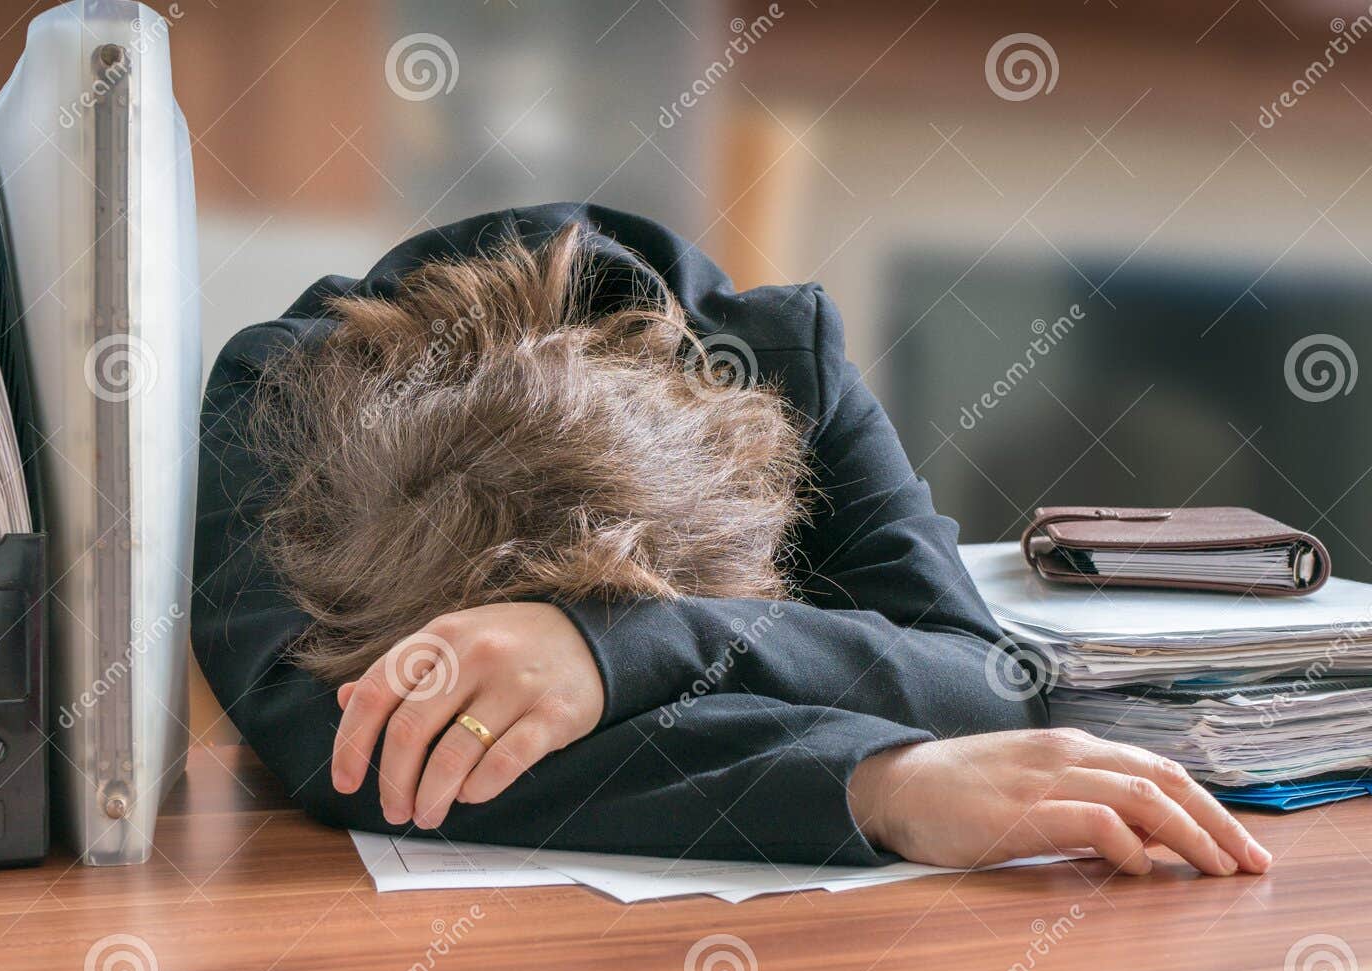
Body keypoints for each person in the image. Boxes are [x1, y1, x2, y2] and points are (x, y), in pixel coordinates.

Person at [192, 202, 1271, 877]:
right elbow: (347, 751)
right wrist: (874, 784)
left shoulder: (776, 358)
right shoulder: (273, 403)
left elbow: (982, 680)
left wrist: (620, 651)